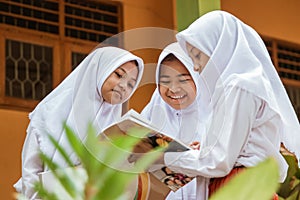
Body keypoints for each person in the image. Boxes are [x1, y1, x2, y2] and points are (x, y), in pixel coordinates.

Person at [154, 10, 300, 199]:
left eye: (198, 56)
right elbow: (234, 147)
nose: (196, 67)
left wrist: (165, 157)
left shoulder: (240, 86)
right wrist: (205, 147)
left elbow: (219, 161)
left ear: (219, 46)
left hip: (239, 184)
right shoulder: (243, 85)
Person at [14, 46, 144, 199]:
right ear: (99, 69)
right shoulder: (51, 111)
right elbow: (31, 168)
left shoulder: (117, 125)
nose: (123, 86)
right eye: (119, 75)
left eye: (131, 84)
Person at [141, 42, 205, 200]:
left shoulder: (216, 115)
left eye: (183, 80)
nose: (173, 89)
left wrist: (203, 153)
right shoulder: (151, 114)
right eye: (165, 81)